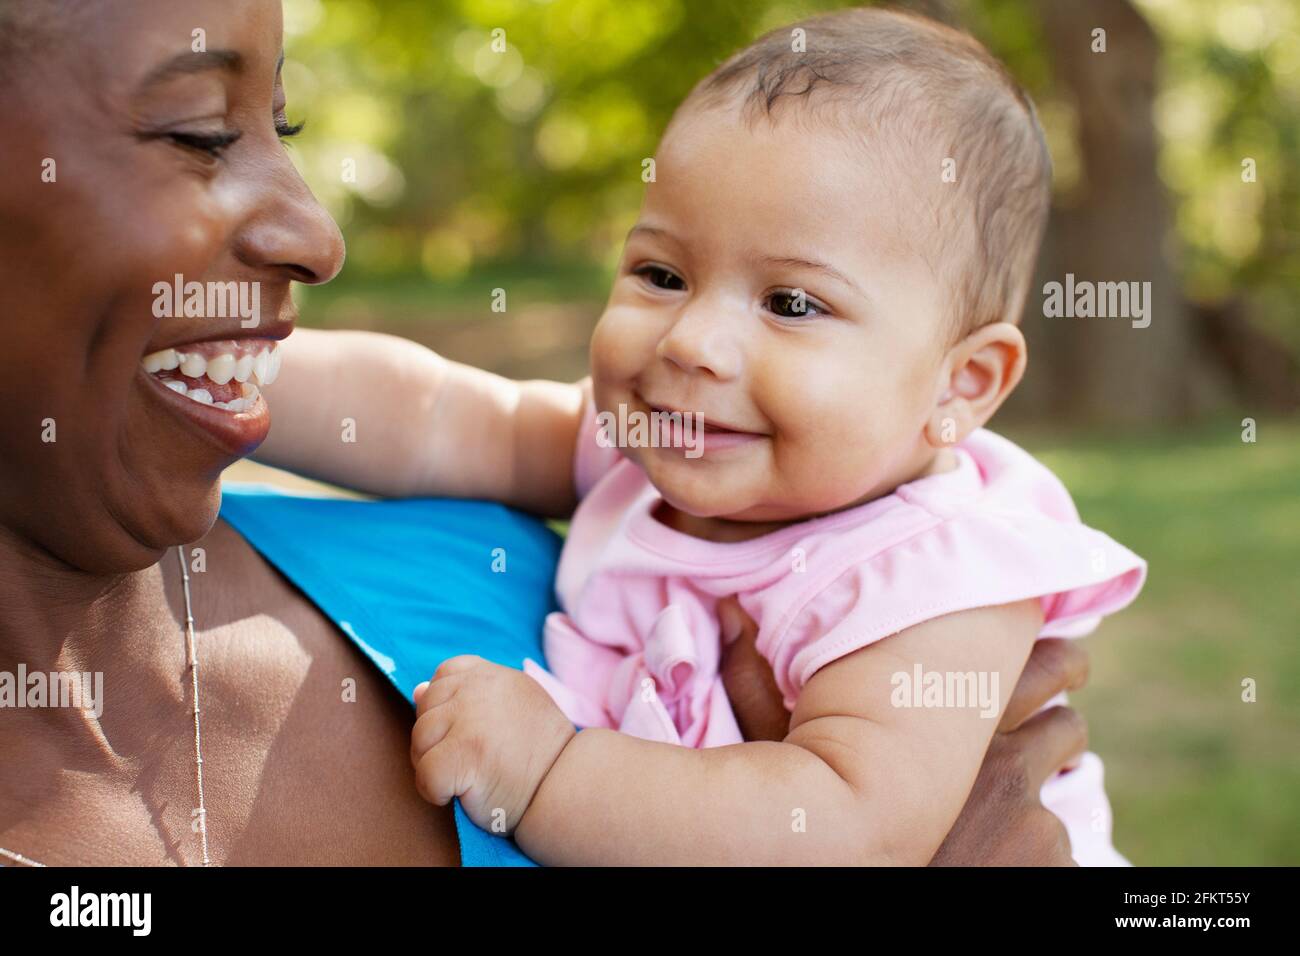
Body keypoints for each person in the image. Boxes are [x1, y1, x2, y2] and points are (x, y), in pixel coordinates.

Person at [0, 0, 1092, 867]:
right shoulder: (646, 450)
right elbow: (438, 415)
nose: (694, 340)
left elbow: (848, 829)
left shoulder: (932, 568)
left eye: (792, 305)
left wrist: (552, 771)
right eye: (661, 273)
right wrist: (225, 376)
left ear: (965, 382)